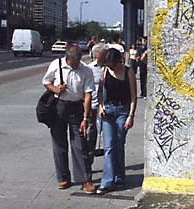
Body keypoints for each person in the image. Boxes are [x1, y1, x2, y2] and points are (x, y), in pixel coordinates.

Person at [42, 44, 96, 193]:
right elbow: (46, 81)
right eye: (74, 62)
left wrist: (85, 117)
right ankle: (63, 177)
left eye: (78, 61)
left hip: (76, 108)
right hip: (58, 107)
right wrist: (55, 89)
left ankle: (85, 179)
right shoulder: (56, 65)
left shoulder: (86, 70)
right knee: (59, 144)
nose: (76, 65)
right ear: (67, 58)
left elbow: (87, 95)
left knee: (79, 143)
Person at [97, 48, 137, 194]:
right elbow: (100, 91)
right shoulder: (105, 71)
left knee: (119, 145)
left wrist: (131, 116)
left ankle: (119, 176)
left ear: (118, 61)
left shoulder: (128, 72)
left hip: (122, 111)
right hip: (108, 110)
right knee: (109, 147)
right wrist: (100, 106)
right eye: (108, 65)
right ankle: (107, 181)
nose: (110, 68)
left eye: (112, 65)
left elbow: (133, 96)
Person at [86, 43, 107, 180]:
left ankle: (110, 168)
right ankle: (87, 168)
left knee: (110, 140)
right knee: (89, 139)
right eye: (98, 58)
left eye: (102, 58)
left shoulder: (110, 68)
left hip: (107, 107)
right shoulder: (88, 69)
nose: (100, 61)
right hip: (93, 107)